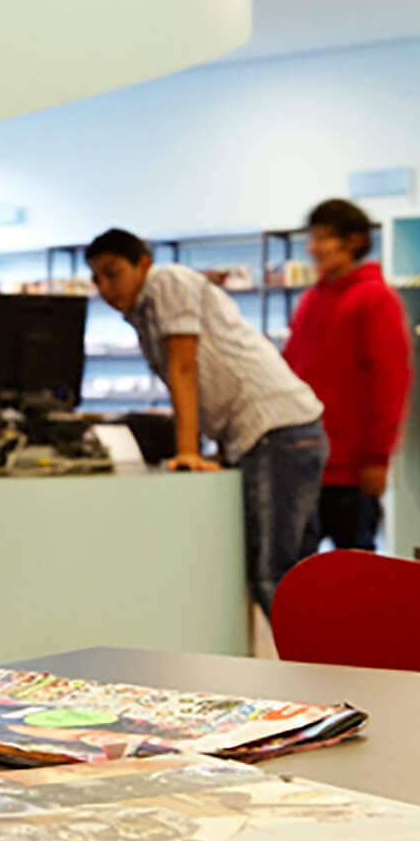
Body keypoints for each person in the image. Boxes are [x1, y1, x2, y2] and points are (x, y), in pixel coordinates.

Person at [85, 228, 325, 618]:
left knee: (272, 576)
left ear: (143, 264)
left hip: (275, 429)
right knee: (295, 574)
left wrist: (188, 451)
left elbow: (184, 367)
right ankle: (326, 655)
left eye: (113, 274)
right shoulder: (142, 311)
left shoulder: (168, 282)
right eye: (97, 279)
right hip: (283, 430)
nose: (106, 288)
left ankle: (315, 658)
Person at [282, 199, 412, 554]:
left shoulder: (376, 298)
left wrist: (377, 457)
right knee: (296, 567)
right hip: (304, 462)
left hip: (352, 469)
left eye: (323, 238)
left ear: (353, 241)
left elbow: (391, 384)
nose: (313, 248)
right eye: (311, 238)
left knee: (356, 570)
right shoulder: (310, 301)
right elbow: (290, 371)